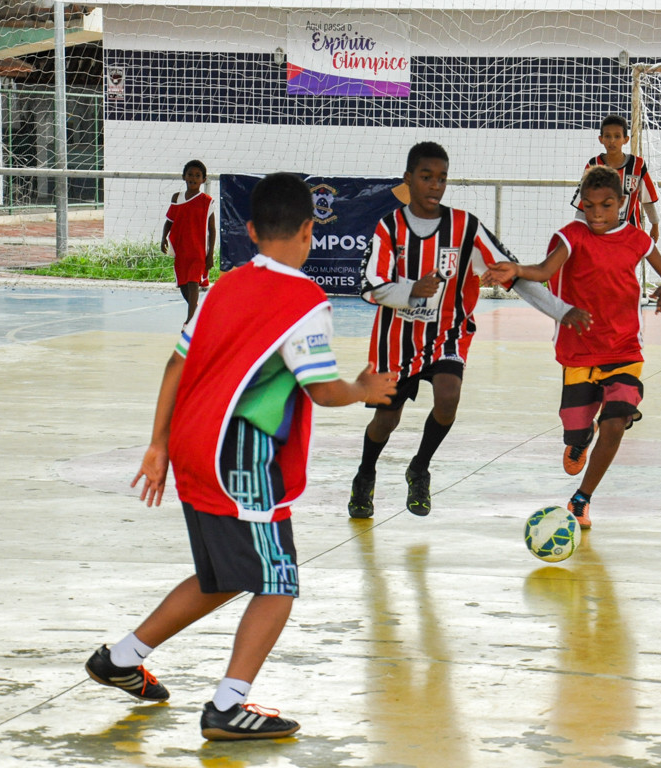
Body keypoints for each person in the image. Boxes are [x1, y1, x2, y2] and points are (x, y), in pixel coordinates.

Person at [85, 172, 397, 740]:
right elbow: (323, 391)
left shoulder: (223, 286)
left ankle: (122, 659)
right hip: (243, 459)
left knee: (222, 575)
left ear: (250, 230)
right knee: (278, 582)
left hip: (191, 446)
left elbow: (176, 364)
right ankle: (228, 706)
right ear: (310, 231)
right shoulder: (306, 302)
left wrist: (158, 444)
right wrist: (364, 389)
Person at [349, 141, 590, 519]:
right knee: (386, 420)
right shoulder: (389, 227)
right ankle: (365, 475)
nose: (434, 185)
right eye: (426, 177)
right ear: (408, 179)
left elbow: (512, 274)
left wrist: (560, 311)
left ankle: (420, 467)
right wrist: (410, 289)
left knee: (449, 397)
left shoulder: (465, 227)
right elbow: (369, 286)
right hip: (395, 342)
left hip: (448, 333)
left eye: (441, 179)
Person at [488, 165, 661, 529]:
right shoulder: (571, 236)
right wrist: (514, 269)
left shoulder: (638, 240)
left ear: (623, 203)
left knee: (616, 420)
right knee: (578, 429)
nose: (597, 213)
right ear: (581, 204)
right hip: (579, 351)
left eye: (607, 205)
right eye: (590, 205)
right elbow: (546, 271)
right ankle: (580, 438)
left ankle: (582, 498)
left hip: (625, 349)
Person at [570, 114, 661, 243]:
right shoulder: (593, 165)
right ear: (601, 139)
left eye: (617, 136)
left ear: (626, 139)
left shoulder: (637, 165)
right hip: (599, 236)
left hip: (630, 235)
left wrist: (655, 225)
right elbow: (583, 204)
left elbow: (647, 199)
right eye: (607, 136)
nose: (612, 140)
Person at [161, 160, 216, 323]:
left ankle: (190, 321)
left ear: (203, 180)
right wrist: (163, 237)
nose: (193, 178)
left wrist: (210, 254)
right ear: (184, 177)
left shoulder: (207, 201)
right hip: (181, 249)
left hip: (198, 251)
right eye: (190, 174)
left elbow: (212, 229)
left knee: (193, 282)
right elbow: (169, 221)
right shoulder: (177, 198)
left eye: (197, 175)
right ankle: (198, 314)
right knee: (183, 284)